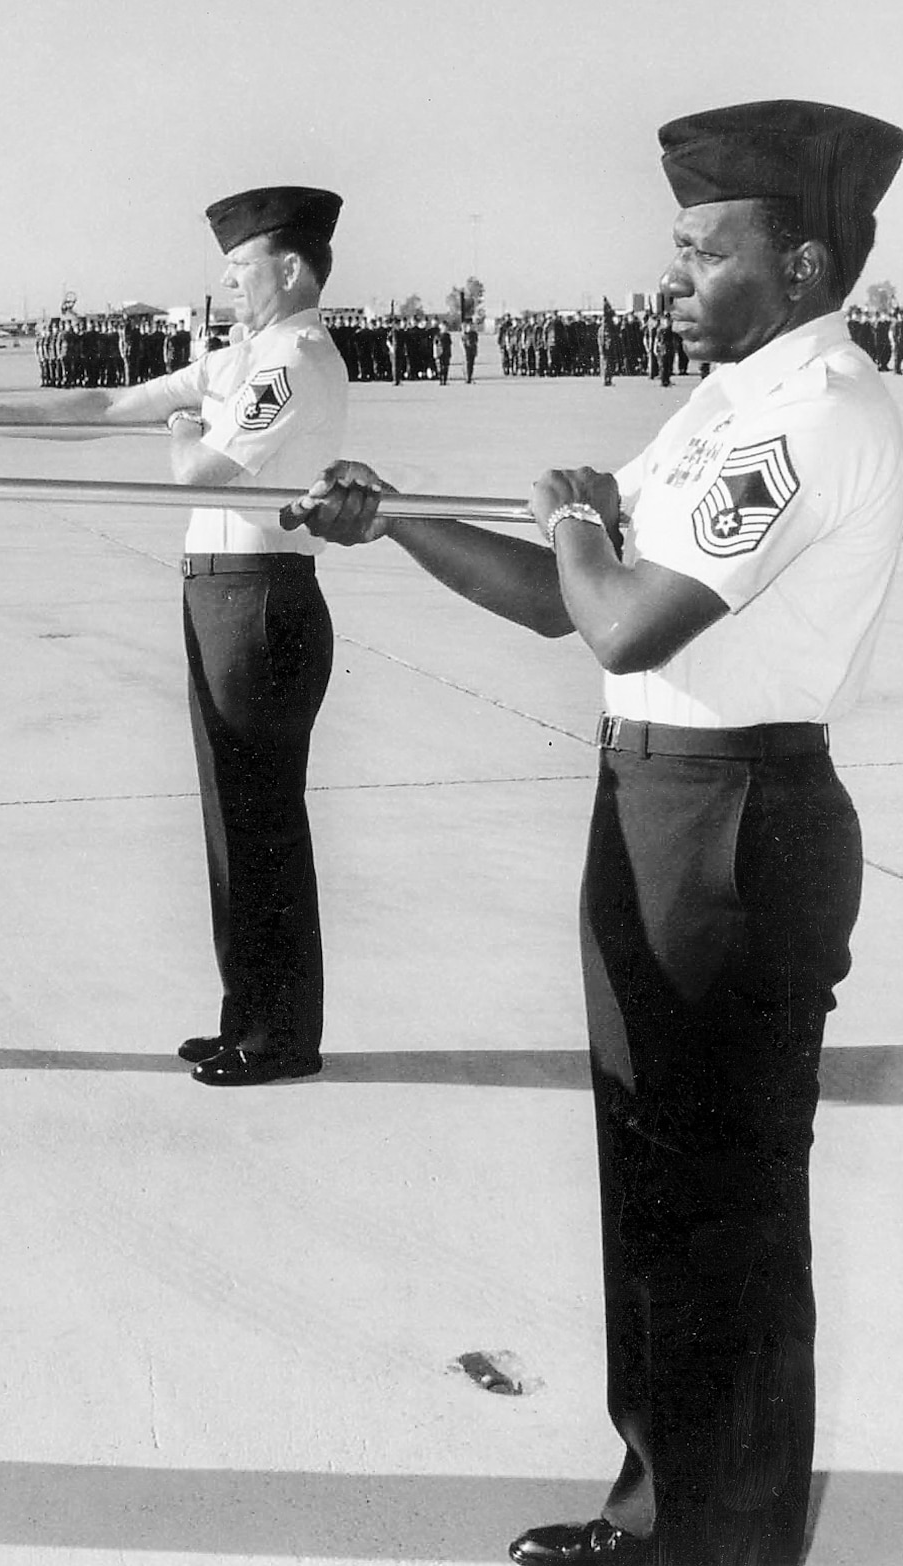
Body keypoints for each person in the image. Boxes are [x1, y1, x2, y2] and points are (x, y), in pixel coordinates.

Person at [285, 100, 903, 1566]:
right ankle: (660, 1509)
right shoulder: (730, 399)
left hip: (736, 820)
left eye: (702, 251)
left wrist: (574, 522)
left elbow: (616, 603)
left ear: (804, 263)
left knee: (724, 1215)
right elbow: (566, 599)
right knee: (652, 1181)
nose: (674, 278)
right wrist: (398, 525)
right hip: (652, 798)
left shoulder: (821, 416)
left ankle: (729, 1539)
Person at [0, 186, 349, 1087]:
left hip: (262, 601)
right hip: (221, 596)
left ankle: (281, 1037)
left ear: (288, 267)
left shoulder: (297, 362)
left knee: (261, 823)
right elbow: (107, 403)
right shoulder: (249, 356)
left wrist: (182, 425)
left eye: (240, 267)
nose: (229, 282)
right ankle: (250, 1015)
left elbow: (196, 469)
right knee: (231, 824)